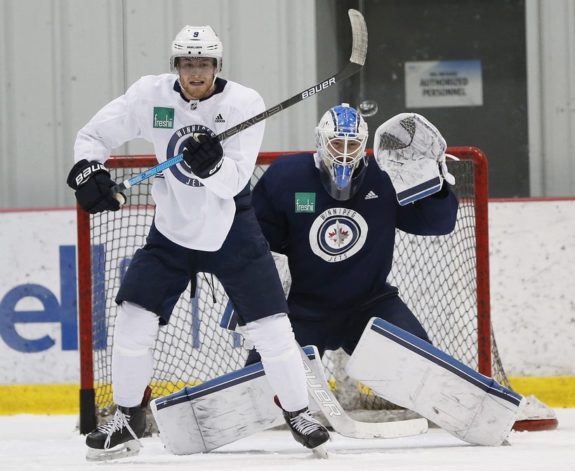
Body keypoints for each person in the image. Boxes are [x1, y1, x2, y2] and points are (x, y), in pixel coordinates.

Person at [67, 25, 328, 461]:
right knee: (133, 319)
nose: (195, 73)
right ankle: (129, 418)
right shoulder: (150, 96)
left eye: (204, 63)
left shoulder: (243, 103)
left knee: (272, 327)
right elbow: (92, 137)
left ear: (217, 66)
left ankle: (299, 412)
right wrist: (86, 171)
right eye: (187, 64)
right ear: (176, 66)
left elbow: (234, 181)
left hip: (232, 230)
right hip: (171, 231)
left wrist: (213, 164)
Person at [246, 104, 459, 365]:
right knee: (264, 390)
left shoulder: (384, 175)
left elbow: (436, 225)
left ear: (364, 144)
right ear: (320, 142)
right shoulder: (286, 177)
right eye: (337, 143)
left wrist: (434, 187)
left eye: (353, 144)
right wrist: (258, 306)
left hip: (369, 305)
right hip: (300, 309)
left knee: (424, 367)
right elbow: (256, 245)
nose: (345, 154)